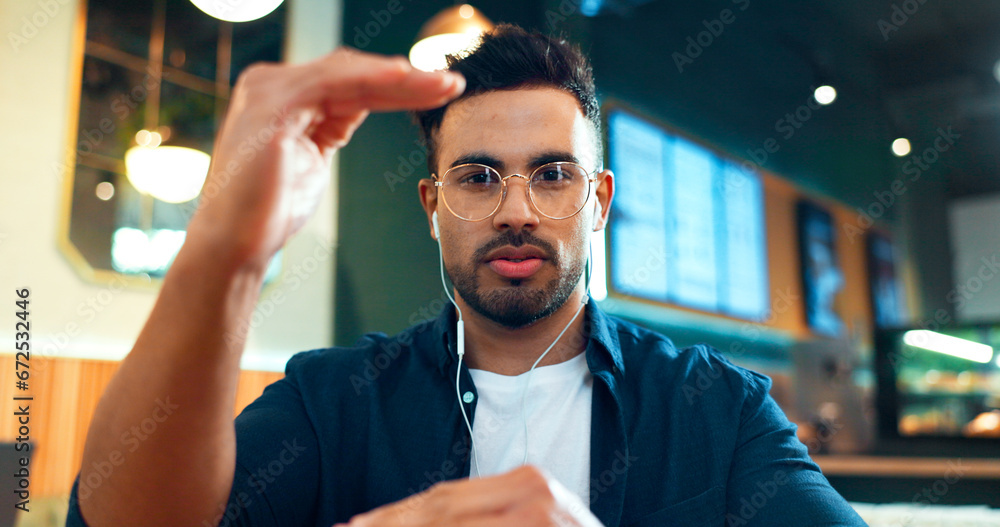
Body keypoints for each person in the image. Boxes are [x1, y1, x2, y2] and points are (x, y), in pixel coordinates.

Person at [66, 24, 866, 527]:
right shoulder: (332, 404)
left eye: (553, 174)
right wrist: (225, 252)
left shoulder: (718, 408)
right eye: (479, 177)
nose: (517, 209)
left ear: (598, 202)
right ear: (431, 204)